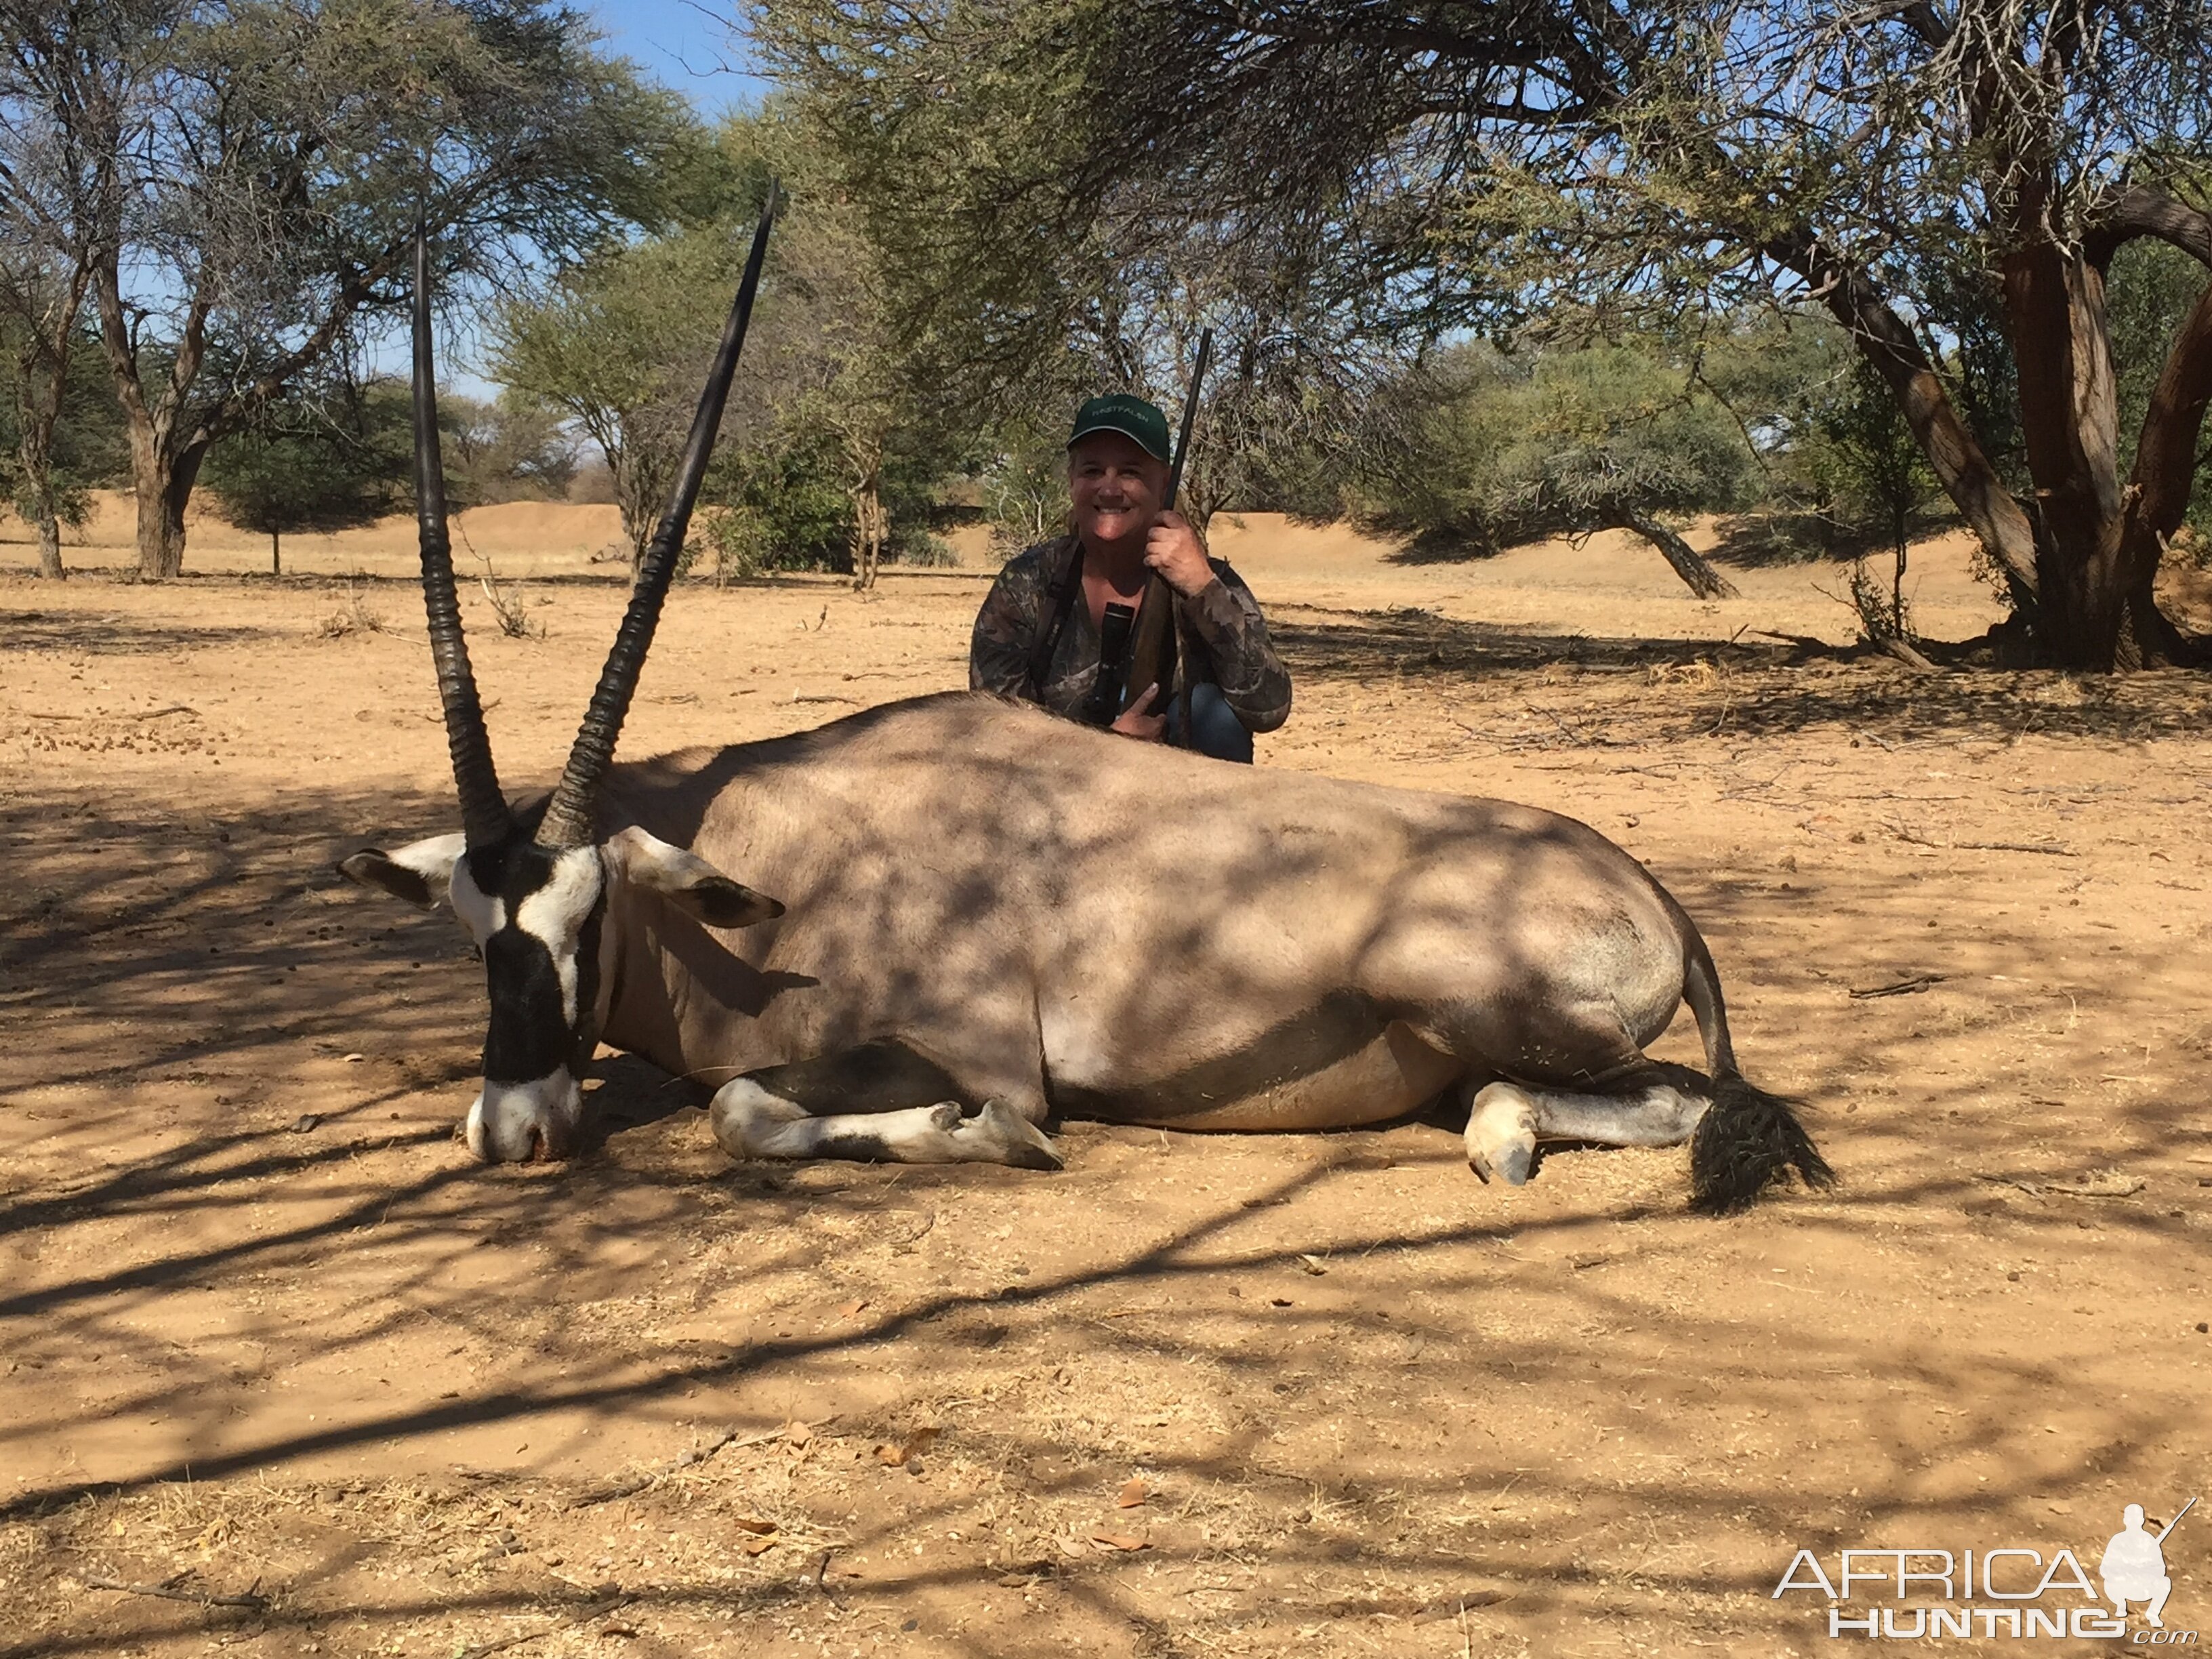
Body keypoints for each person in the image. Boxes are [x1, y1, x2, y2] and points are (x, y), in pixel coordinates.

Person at [969, 393, 1290, 762]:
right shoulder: (1028, 581)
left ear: (1164, 484)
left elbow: (1268, 710)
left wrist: (1202, 588)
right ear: (1072, 480)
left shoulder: (1210, 579)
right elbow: (992, 730)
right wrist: (1105, 747)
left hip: (1184, 799)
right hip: (1056, 792)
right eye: (1092, 471)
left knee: (1213, 714)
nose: (1109, 489)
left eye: (1130, 472)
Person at [2100, 1504, 2173, 1626]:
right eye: (2130, 1518)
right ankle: (2121, 1605)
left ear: (2142, 1520)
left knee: (2165, 1582)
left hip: (2142, 1586)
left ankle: (2153, 1614)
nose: (2133, 1521)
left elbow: (2160, 1569)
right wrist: (2126, 1567)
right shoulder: (2118, 1540)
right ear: (2125, 1520)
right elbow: (2105, 1568)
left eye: (2137, 1518)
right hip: (2121, 1585)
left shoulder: (2149, 1541)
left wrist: (2145, 1568)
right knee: (2112, 1581)